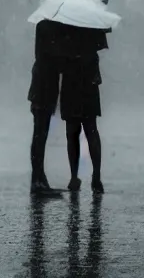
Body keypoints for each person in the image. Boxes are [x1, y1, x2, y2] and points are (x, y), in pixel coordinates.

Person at [28, 18, 108, 194]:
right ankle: (91, 177)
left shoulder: (62, 26)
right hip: (83, 81)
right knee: (86, 129)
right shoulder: (83, 23)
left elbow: (53, 56)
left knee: (74, 130)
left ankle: (73, 177)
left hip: (73, 82)